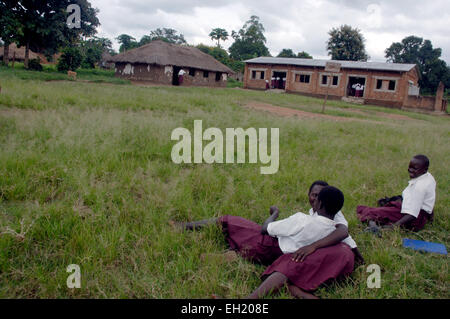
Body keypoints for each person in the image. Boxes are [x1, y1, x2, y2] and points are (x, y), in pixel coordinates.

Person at [247, 186, 355, 299]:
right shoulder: (332, 225)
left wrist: (275, 213)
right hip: (340, 263)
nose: (314, 199)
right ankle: (294, 290)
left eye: (317, 197)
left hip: (331, 256)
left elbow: (343, 232)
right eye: (313, 194)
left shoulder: (304, 220)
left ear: (320, 203)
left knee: (289, 264)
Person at [356, 154, 436, 232]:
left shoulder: (420, 187)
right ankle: (374, 223)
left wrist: (394, 226)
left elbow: (412, 214)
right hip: (419, 214)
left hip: (414, 220)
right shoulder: (428, 177)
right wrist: (430, 216)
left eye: (415, 168)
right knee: (390, 205)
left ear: (425, 170)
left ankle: (374, 227)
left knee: (370, 212)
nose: (410, 170)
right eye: (409, 167)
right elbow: (429, 199)